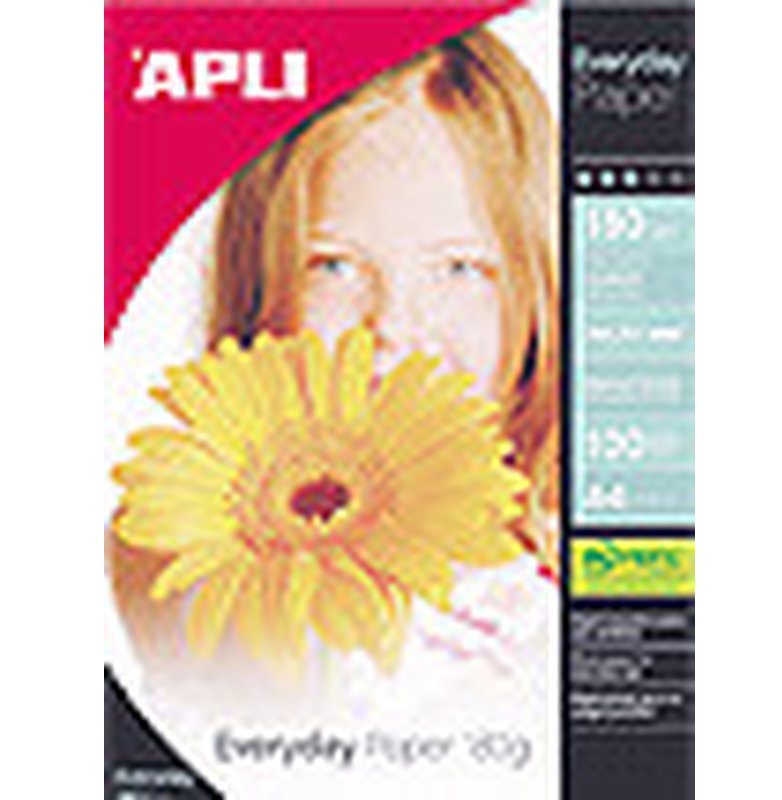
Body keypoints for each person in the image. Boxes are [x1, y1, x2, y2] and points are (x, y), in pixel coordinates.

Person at [111, 27, 559, 727]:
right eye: (335, 266)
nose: (394, 326)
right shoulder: (187, 543)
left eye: (459, 268)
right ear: (259, 288)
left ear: (541, 296)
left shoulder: (597, 552)